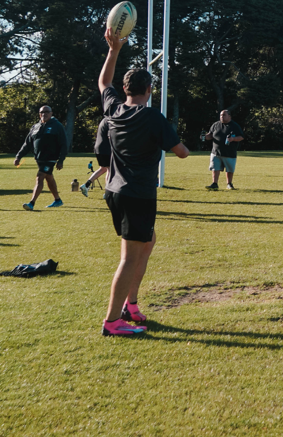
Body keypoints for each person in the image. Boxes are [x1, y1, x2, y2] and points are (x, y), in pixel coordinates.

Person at [97, 25, 189, 337]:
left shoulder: (113, 108)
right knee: (129, 257)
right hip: (137, 195)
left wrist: (113, 51)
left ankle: (130, 306)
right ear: (149, 89)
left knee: (148, 242)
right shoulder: (152, 118)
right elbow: (181, 153)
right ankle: (112, 322)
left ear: (125, 89)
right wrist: (182, 144)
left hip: (115, 190)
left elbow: (103, 81)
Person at [14, 105, 69, 210]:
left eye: (47, 112)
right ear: (39, 114)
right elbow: (27, 144)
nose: (44, 114)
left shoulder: (57, 126)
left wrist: (61, 160)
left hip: (51, 158)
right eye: (42, 112)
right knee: (49, 178)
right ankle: (57, 200)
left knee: (40, 177)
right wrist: (18, 156)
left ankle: (31, 203)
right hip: (39, 159)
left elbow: (64, 144)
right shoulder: (35, 127)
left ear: (51, 113)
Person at [203, 109, 244, 190]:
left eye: (224, 115)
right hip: (216, 152)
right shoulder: (216, 125)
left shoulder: (235, 126)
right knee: (215, 168)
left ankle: (229, 184)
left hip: (229, 152)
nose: (222, 117)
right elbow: (210, 135)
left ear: (229, 116)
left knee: (229, 169)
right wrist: (205, 137)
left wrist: (233, 139)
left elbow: (241, 137)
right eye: (221, 115)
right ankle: (214, 183)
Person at [79, 118, 110, 197]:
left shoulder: (104, 120)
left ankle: (86, 185)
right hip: (107, 148)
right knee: (110, 170)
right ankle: (108, 193)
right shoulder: (111, 120)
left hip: (98, 147)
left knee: (103, 168)